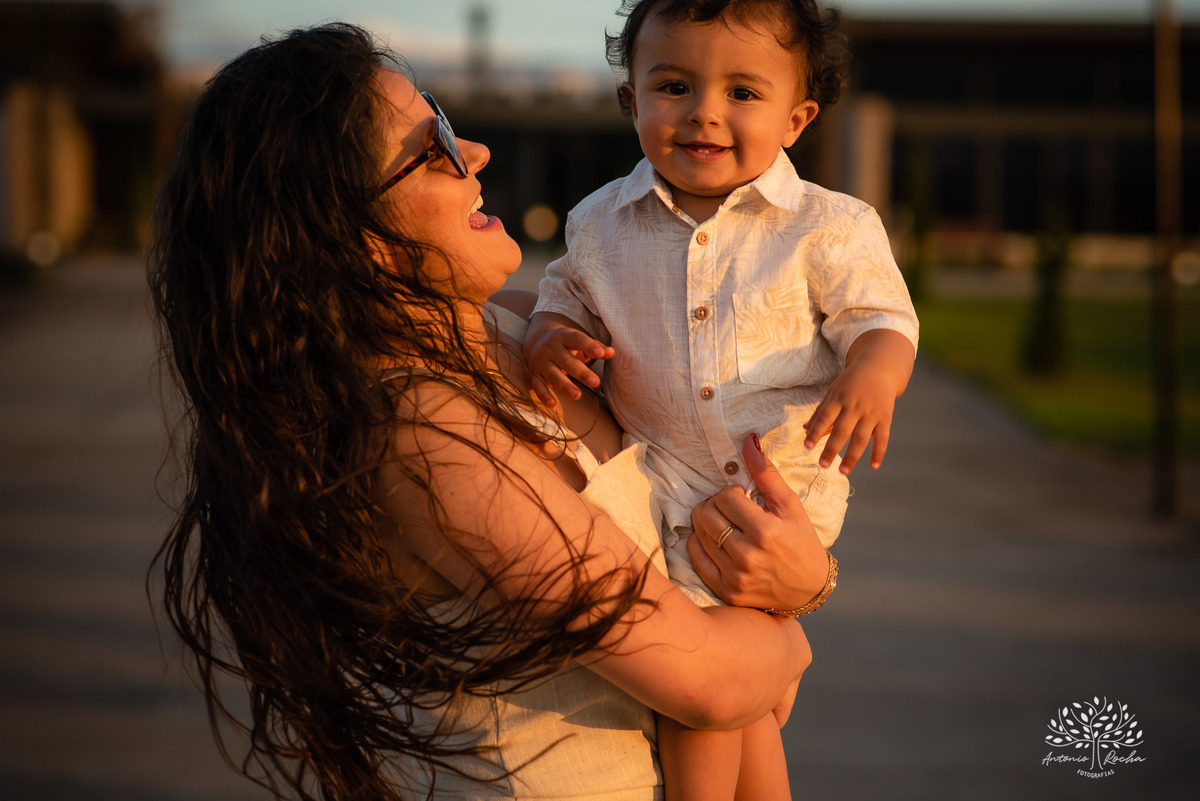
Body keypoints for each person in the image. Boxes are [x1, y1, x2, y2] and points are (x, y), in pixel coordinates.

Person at [148, 22, 831, 801]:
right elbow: (706, 680)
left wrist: (804, 581)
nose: (471, 150)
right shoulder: (423, 434)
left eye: (440, 113)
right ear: (354, 236)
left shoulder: (515, 326)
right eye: (431, 146)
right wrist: (787, 629)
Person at [522, 1, 919, 798]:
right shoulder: (600, 223)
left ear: (797, 117)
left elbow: (881, 319)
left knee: (696, 681)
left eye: (743, 92)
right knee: (741, 700)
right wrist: (548, 338)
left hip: (772, 492)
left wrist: (873, 373)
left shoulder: (826, 226)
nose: (704, 112)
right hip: (660, 478)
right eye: (673, 85)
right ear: (632, 99)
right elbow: (557, 298)